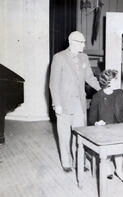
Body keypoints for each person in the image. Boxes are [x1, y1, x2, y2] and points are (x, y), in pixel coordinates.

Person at [49, 31, 100, 172]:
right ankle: (66, 162)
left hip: (80, 104)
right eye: (81, 42)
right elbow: (54, 83)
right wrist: (56, 104)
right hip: (64, 104)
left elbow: (90, 77)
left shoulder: (84, 57)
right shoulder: (59, 58)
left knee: (80, 135)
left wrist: (101, 89)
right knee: (64, 135)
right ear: (72, 42)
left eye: (84, 42)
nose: (84, 45)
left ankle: (80, 162)